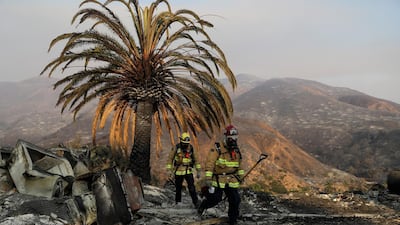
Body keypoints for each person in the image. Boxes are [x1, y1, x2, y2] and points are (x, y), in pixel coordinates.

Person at [197, 125, 244, 225]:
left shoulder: (236, 150)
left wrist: (241, 176)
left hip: (231, 179)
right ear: (226, 137)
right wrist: (208, 178)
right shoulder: (217, 149)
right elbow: (210, 163)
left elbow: (239, 165)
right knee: (215, 199)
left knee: (235, 200)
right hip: (218, 179)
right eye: (231, 137)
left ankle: (233, 220)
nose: (233, 140)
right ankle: (203, 205)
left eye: (235, 137)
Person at [166, 132, 201, 208]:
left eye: (187, 143)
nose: (185, 145)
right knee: (178, 188)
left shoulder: (191, 148)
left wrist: (198, 171)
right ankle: (178, 202)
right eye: (184, 143)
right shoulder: (176, 148)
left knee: (191, 187)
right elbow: (170, 159)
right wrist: (169, 170)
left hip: (188, 170)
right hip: (178, 171)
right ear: (181, 141)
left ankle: (196, 203)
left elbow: (196, 160)